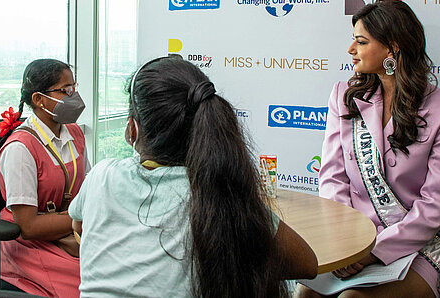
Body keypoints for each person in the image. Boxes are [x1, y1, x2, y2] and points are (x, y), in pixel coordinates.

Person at [68, 55, 318, 297]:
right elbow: (307, 265)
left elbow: (79, 225)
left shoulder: (102, 176)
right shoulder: (217, 193)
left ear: (132, 130)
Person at [298, 0, 440, 298]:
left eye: (361, 42)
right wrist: (347, 245)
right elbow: (332, 178)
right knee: (305, 293)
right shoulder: (344, 96)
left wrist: (374, 251)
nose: (350, 50)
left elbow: (435, 205)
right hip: (351, 240)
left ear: (392, 48)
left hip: (419, 245)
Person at [0, 59, 90, 297]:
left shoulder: (74, 132)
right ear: (38, 99)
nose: (73, 96)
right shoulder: (20, 148)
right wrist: (84, 215)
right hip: (31, 246)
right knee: (88, 286)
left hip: (70, 233)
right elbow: (29, 227)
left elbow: (88, 188)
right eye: (65, 91)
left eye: (74, 88)